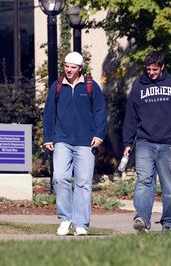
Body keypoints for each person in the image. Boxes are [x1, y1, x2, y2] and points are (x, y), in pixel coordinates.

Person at [122, 51, 171, 232]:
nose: (151, 73)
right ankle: (142, 219)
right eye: (148, 69)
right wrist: (127, 143)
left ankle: (168, 221)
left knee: (169, 187)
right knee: (144, 181)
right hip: (145, 142)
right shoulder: (139, 86)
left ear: (162, 67)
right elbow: (131, 116)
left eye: (155, 69)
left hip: (169, 143)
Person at [43, 51, 107, 236]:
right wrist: (48, 137)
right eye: (66, 66)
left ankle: (81, 223)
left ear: (80, 68)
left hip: (86, 142)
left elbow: (101, 111)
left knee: (84, 183)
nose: (69, 70)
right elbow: (49, 113)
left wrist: (99, 135)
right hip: (62, 140)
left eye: (73, 67)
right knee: (60, 177)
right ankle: (65, 219)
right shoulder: (57, 86)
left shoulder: (90, 86)